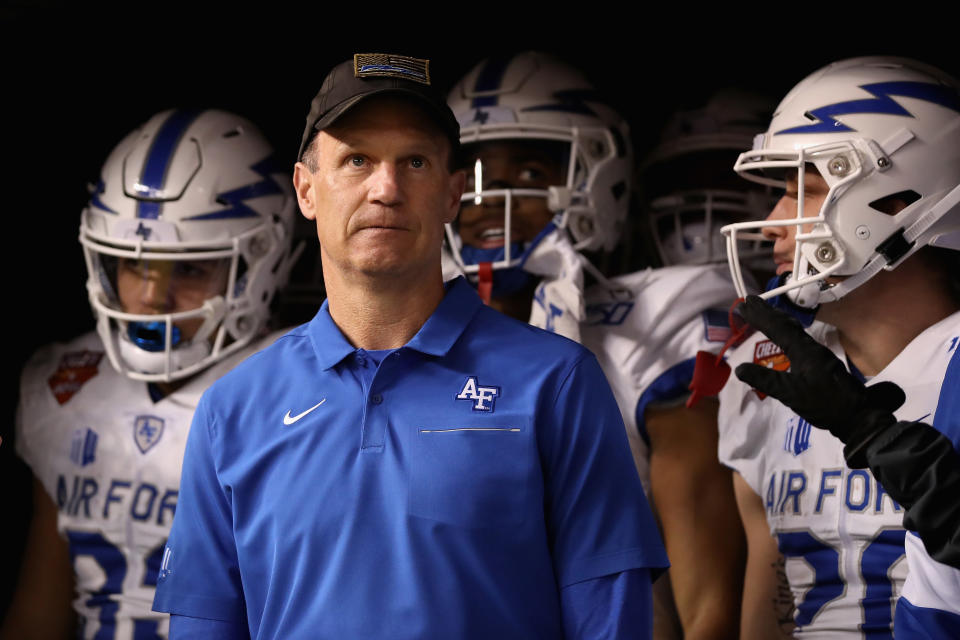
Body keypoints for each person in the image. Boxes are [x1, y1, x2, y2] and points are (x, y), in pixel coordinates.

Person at [151, 53, 667, 640]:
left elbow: (610, 624)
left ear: (452, 195)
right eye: (356, 160)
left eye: (414, 162)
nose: (387, 188)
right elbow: (205, 627)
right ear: (306, 190)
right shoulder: (233, 408)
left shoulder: (559, 382)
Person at [444, 52, 753, 639]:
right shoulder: (405, 341)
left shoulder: (656, 319)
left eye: (531, 173)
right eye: (473, 175)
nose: (491, 199)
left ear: (599, 177)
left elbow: (709, 608)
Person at [2, 109, 299, 640]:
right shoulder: (67, 387)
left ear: (262, 263)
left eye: (188, 268)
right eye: (133, 264)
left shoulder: (296, 390)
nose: (149, 298)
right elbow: (41, 607)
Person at [718, 56, 960, 637]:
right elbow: (769, 593)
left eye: (805, 187)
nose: (774, 222)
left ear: (901, 200)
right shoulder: (761, 368)